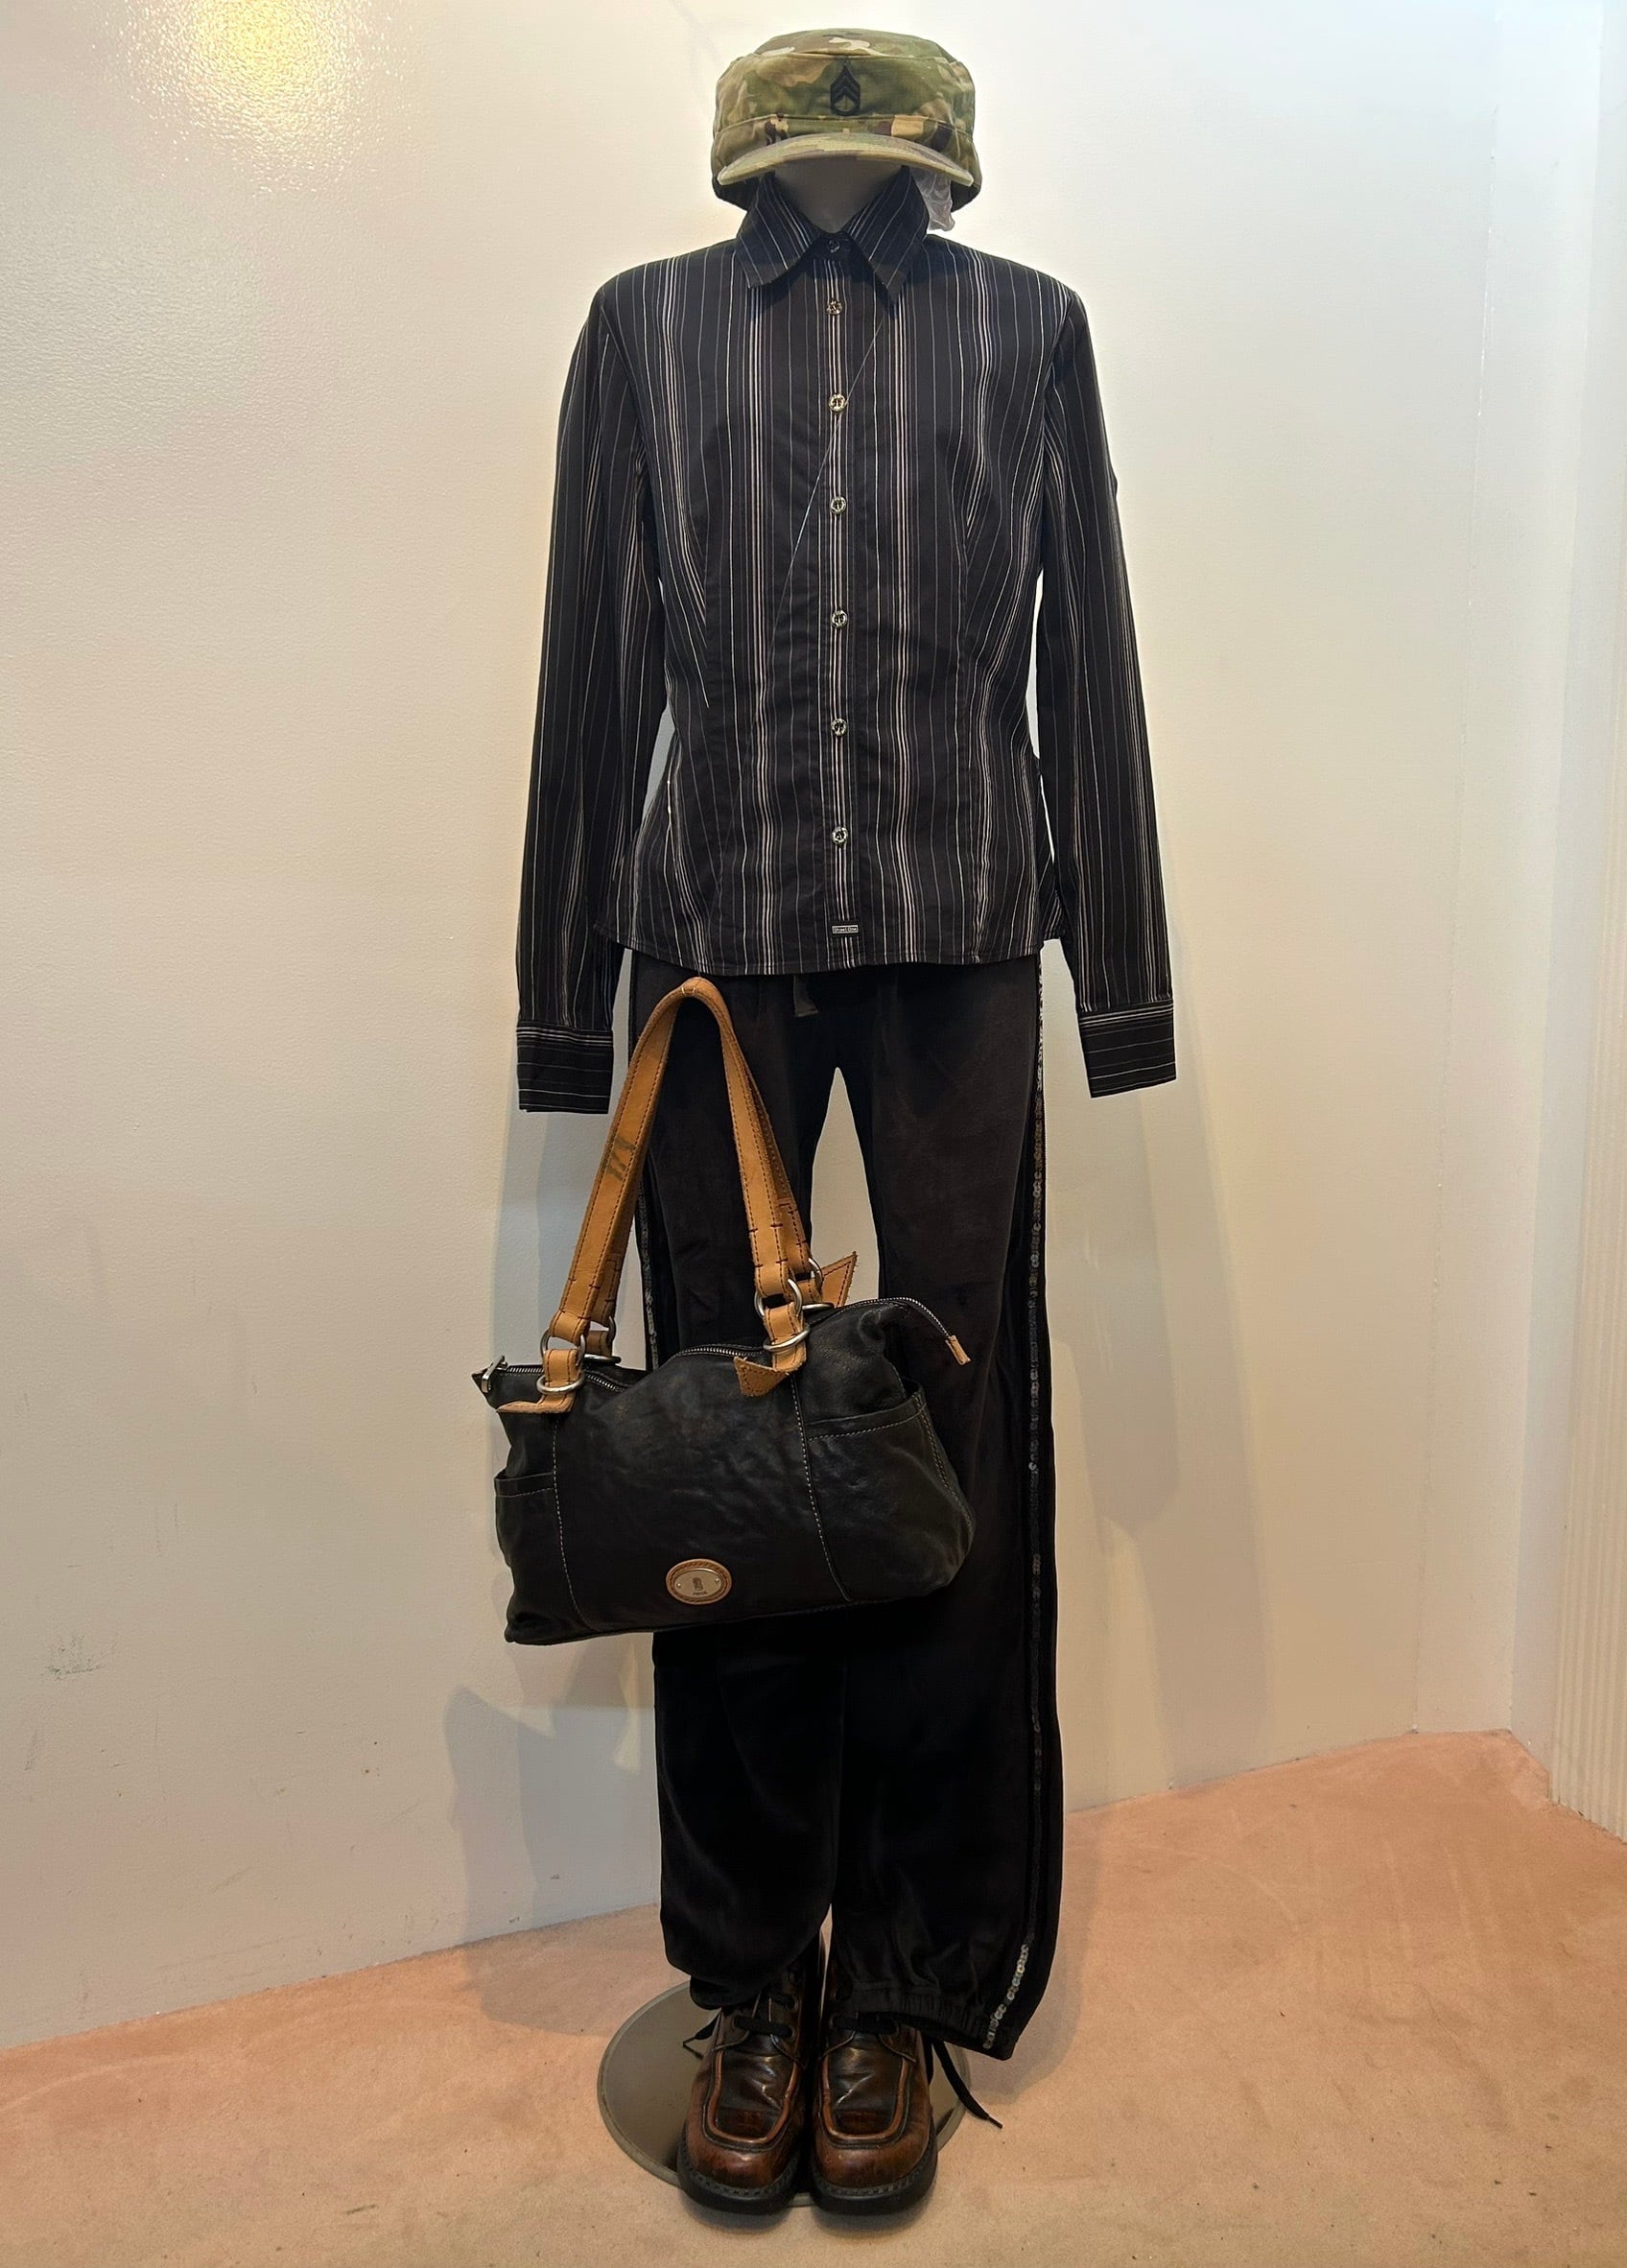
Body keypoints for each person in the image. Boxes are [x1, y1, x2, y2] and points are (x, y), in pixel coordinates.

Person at [513, 26, 1174, 2216]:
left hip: (962, 936)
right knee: (723, 1437)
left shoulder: (1030, 331)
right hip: (717, 951)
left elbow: (1088, 662)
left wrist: (1122, 981)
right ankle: (749, 1978)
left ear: (936, 164)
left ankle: (904, 1971)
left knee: (952, 1435)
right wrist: (563, 1012)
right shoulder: (642, 330)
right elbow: (595, 680)